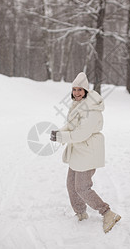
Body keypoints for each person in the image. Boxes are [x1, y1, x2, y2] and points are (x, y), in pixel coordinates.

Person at [50, 72, 121, 233]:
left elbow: (82, 133)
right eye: (74, 89)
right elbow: (70, 127)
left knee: (82, 187)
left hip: (88, 150)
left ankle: (107, 213)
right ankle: (81, 213)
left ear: (86, 91)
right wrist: (58, 133)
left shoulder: (91, 109)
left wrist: (62, 136)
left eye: (80, 90)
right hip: (78, 150)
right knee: (71, 185)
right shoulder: (77, 104)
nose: (76, 93)